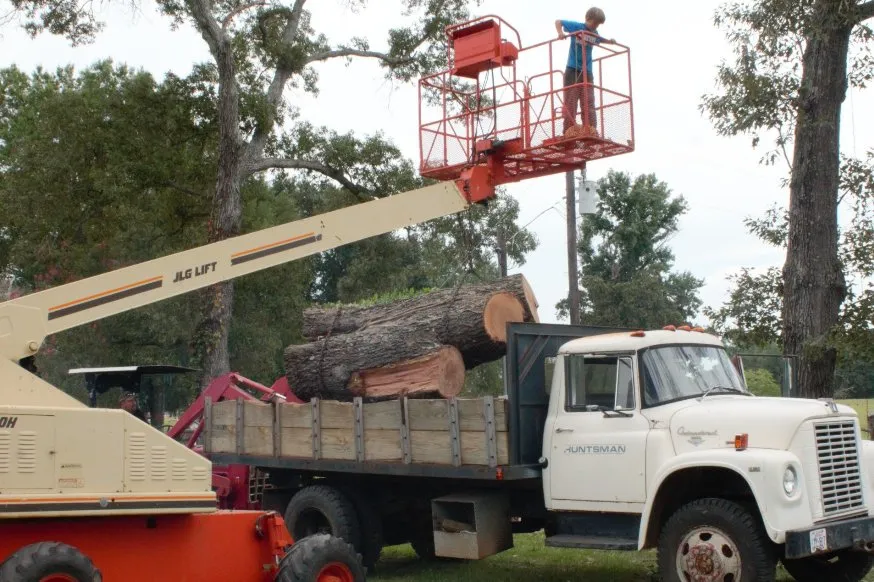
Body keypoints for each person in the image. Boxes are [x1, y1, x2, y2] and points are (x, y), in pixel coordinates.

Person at [555, 9, 614, 136]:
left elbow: (600, 39)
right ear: (587, 18)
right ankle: (569, 131)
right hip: (573, 69)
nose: (596, 26)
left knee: (588, 101)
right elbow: (558, 22)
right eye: (594, 23)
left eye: (598, 25)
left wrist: (609, 41)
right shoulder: (577, 27)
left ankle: (591, 129)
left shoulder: (595, 33)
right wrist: (560, 33)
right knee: (571, 101)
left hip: (587, 71)